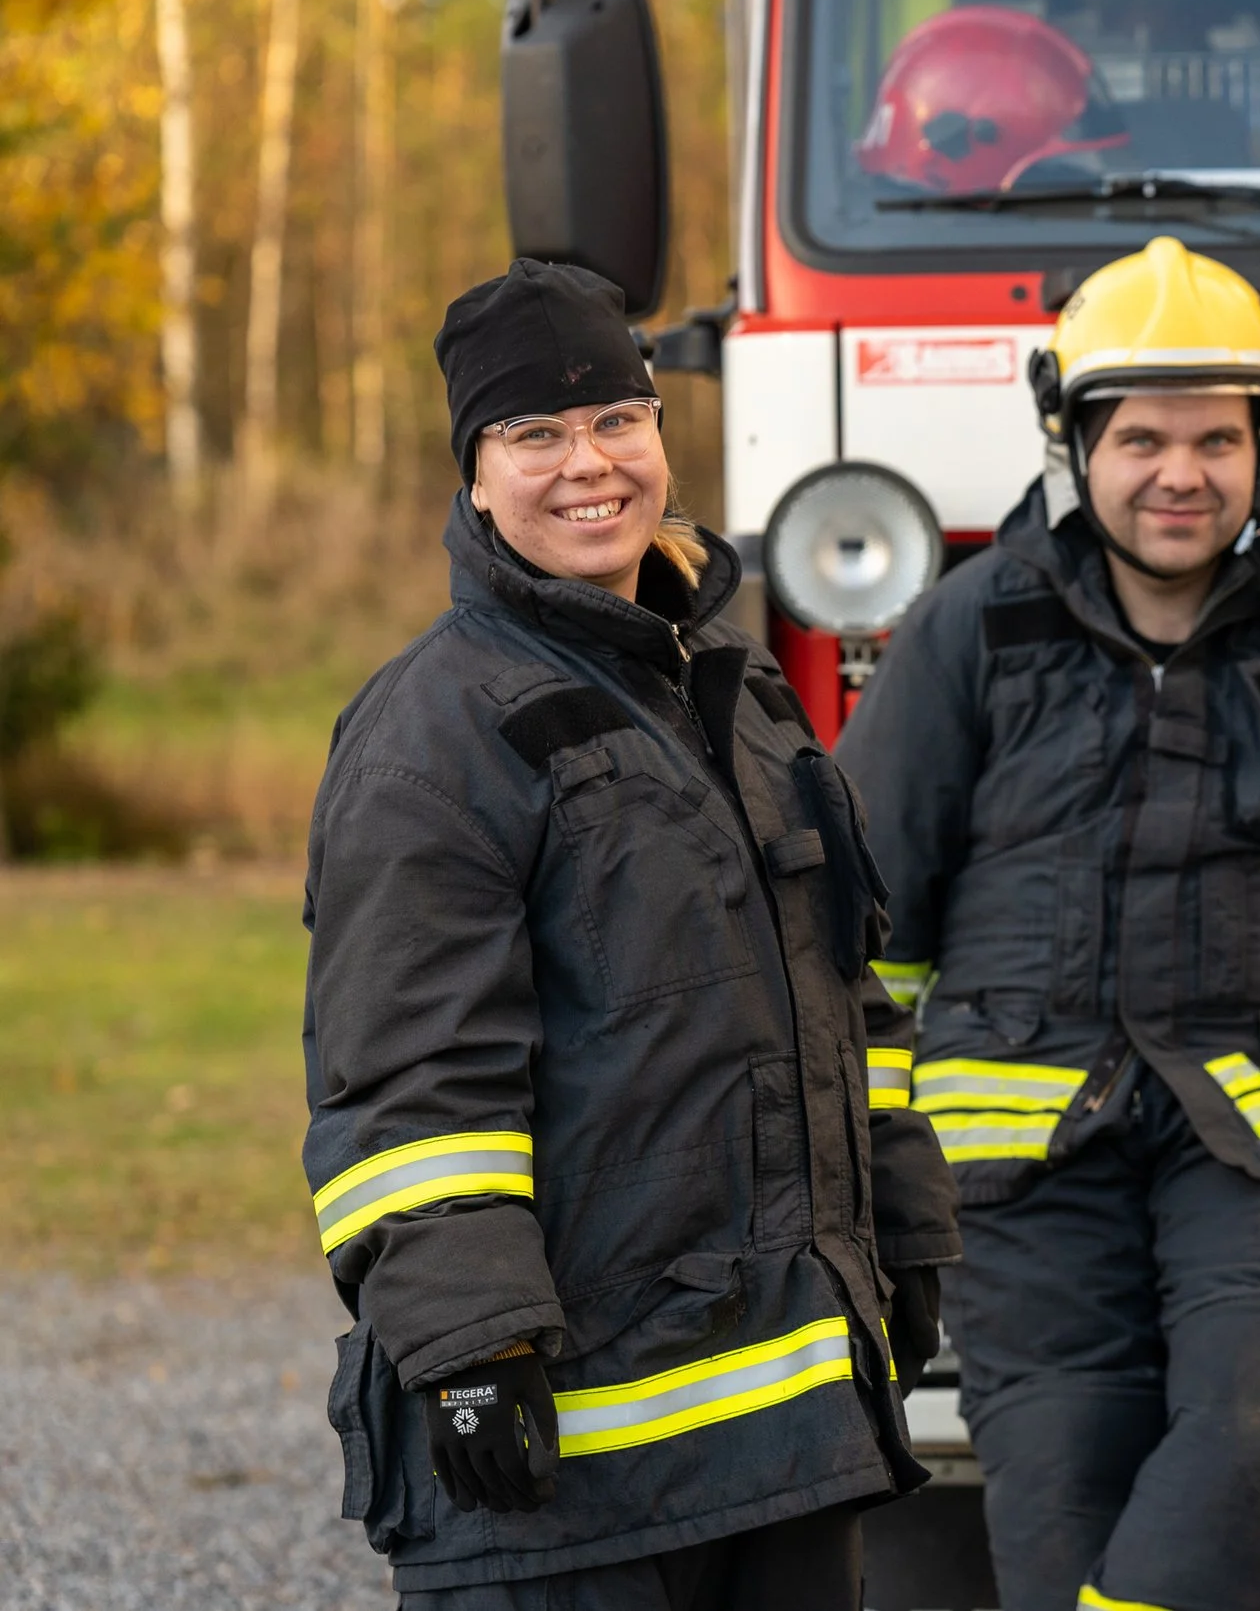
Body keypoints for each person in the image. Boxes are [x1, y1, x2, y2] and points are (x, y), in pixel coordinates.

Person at [837, 236, 1260, 1611]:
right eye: (1143, 437)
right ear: (1074, 445)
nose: (1182, 473)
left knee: (1259, 1414)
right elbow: (863, 926)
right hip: (1016, 1149)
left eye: (1219, 438)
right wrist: (859, 1161)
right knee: (1060, 1496)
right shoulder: (967, 632)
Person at [302, 258, 958, 1610]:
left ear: (662, 435)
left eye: (615, 421)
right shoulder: (434, 734)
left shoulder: (738, 685)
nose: (585, 464)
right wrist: (472, 1343)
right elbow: (409, 1080)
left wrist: (904, 1222)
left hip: (786, 1433)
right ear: (475, 475)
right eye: (533, 434)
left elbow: (838, 998)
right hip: (573, 1477)